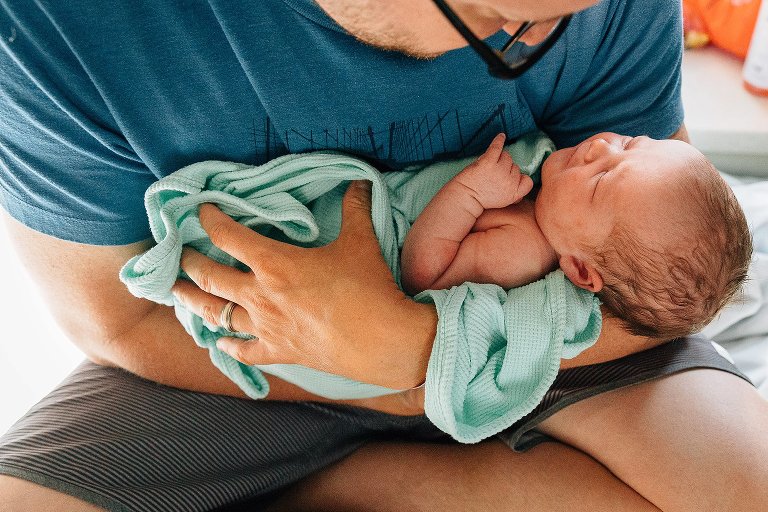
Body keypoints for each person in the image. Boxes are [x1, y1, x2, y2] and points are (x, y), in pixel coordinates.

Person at [1, 1, 766, 511]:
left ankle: (352, 481)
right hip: (251, 357)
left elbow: (664, 284)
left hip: (514, 359)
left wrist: (416, 355)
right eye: (508, 20)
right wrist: (371, 369)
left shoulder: (589, 8)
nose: (545, 32)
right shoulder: (58, 25)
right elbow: (118, 323)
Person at [401, 131, 752, 340]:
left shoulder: (521, 250)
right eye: (630, 143)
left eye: (601, 181)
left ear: (581, 271)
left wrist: (470, 194)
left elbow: (423, 275)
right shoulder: (554, 208)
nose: (601, 146)